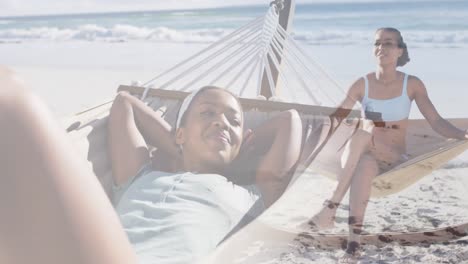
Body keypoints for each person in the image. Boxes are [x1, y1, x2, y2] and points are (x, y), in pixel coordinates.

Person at [0, 67, 303, 264]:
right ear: (179, 132)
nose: (221, 122)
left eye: (233, 121)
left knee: (9, 97)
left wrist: (234, 146)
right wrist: (185, 148)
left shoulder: (251, 194)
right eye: (207, 113)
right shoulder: (140, 174)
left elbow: (290, 120)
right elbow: (124, 104)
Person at [305, 27, 468, 259]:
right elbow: (335, 119)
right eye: (378, 43)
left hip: (392, 156)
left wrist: (462, 135)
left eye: (389, 43)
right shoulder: (362, 84)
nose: (382, 48)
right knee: (363, 163)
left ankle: (329, 208)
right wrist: (307, 138)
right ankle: (353, 245)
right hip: (359, 154)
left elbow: (436, 121)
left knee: (362, 136)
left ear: (400, 50)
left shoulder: (411, 84)